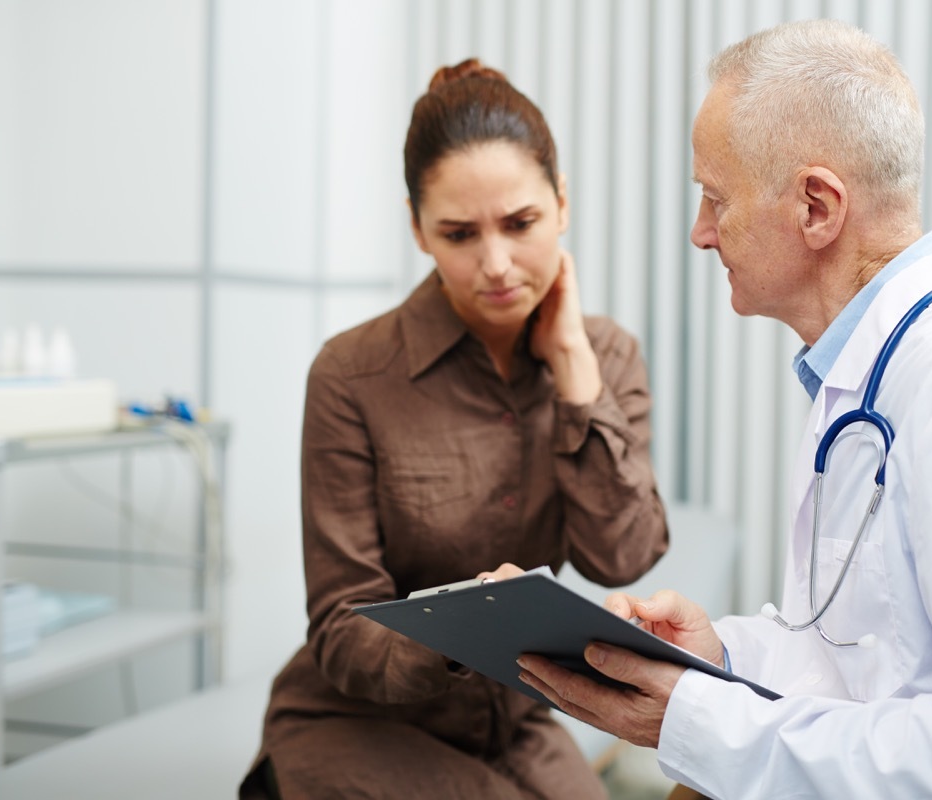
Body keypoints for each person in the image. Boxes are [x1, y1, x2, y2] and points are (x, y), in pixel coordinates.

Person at [516, 19, 932, 799]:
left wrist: (698, 719)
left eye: (715, 198)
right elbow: (866, 667)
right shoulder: (861, 384)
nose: (700, 233)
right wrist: (725, 659)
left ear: (816, 206)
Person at [239, 58, 669, 799]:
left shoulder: (606, 356)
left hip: (515, 716)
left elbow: (623, 556)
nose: (496, 264)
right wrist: (468, 625)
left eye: (521, 224)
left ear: (562, 204)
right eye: (459, 233)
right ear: (417, 229)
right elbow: (340, 627)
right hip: (361, 722)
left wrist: (573, 367)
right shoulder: (351, 374)